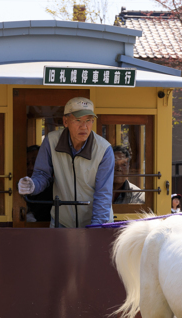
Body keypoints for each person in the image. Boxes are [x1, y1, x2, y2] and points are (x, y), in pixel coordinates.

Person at [17, 97, 113, 228]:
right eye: (78, 120)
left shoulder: (104, 149)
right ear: (65, 121)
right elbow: (42, 174)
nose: (84, 126)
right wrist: (32, 185)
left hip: (96, 222)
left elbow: (103, 194)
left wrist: (96, 229)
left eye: (89, 120)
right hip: (61, 221)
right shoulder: (51, 141)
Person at [22, 144, 52, 222]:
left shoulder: (52, 188)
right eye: (27, 164)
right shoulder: (21, 186)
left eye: (35, 163)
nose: (31, 168)